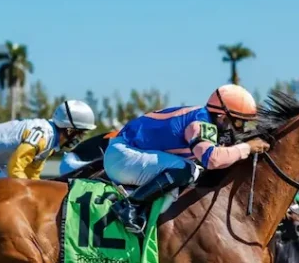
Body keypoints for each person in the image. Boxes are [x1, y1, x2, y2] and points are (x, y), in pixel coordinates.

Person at [104, 84, 271, 233]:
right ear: (222, 117)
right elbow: (212, 160)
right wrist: (246, 148)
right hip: (121, 155)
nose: (240, 129)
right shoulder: (200, 122)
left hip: (129, 152)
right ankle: (130, 205)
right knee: (186, 169)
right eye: (239, 123)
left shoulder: (206, 120)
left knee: (191, 170)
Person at [0, 99, 97, 186]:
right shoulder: (43, 136)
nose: (80, 138)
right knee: (5, 189)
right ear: (69, 130)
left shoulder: (50, 143)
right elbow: (16, 167)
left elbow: (32, 174)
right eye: (80, 133)